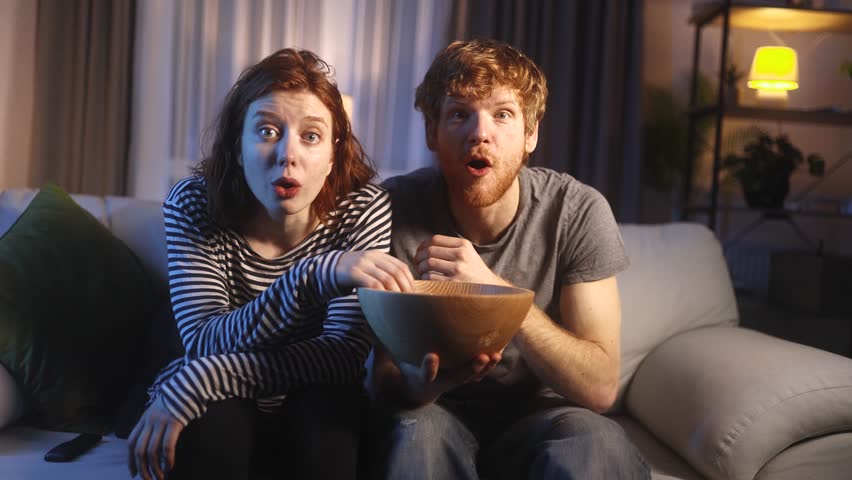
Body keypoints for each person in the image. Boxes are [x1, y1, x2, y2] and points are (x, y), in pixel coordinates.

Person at [367, 39, 650, 479]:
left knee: (596, 443)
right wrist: (417, 386)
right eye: (459, 113)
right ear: (431, 133)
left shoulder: (577, 210)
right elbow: (377, 379)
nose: (480, 133)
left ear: (530, 134)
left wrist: (497, 294)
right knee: (415, 438)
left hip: (545, 418)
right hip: (434, 412)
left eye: (502, 114)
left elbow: (599, 388)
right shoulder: (389, 208)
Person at [126, 48, 414, 480]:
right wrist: (315, 274)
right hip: (216, 405)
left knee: (327, 406)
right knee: (217, 416)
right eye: (266, 131)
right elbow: (204, 340)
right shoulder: (192, 204)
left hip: (301, 404)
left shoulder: (362, 209)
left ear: (334, 154)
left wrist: (201, 378)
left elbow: (343, 357)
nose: (288, 154)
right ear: (238, 148)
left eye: (311, 136)